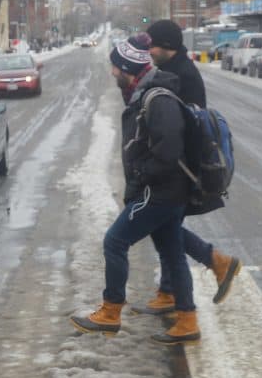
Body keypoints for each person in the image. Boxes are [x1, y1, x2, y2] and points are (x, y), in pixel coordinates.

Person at [70, 36, 200, 344]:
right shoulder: (145, 94)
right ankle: (187, 320)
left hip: (159, 191)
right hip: (168, 191)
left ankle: (111, 312)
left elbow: (168, 150)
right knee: (173, 252)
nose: (113, 73)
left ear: (128, 68)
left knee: (115, 241)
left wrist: (142, 174)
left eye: (116, 67)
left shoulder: (158, 99)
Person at [137, 19, 242, 315]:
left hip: (181, 168)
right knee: (166, 228)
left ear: (167, 46)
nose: (150, 50)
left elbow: (178, 127)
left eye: (153, 45)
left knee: (165, 228)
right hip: (180, 165)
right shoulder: (175, 69)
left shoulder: (179, 75)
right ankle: (174, 288)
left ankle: (212, 265)